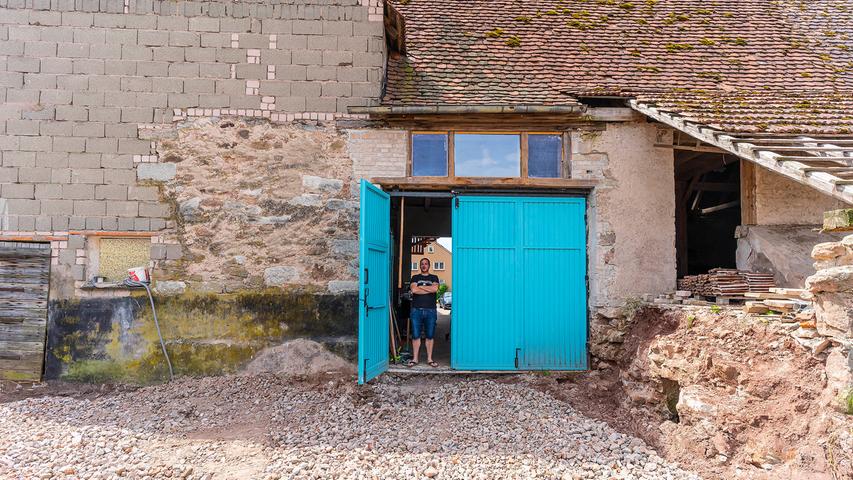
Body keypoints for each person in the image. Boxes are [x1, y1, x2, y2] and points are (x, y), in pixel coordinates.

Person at [409, 257, 439, 368]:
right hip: (416, 310)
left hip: (430, 310)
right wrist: (428, 287)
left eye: (426, 263)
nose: (424, 265)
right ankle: (415, 359)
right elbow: (414, 290)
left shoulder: (434, 277)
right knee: (416, 335)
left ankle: (430, 359)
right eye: (422, 264)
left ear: (429, 265)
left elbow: (435, 289)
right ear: (420, 266)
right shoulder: (415, 277)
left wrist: (421, 286)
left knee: (430, 335)